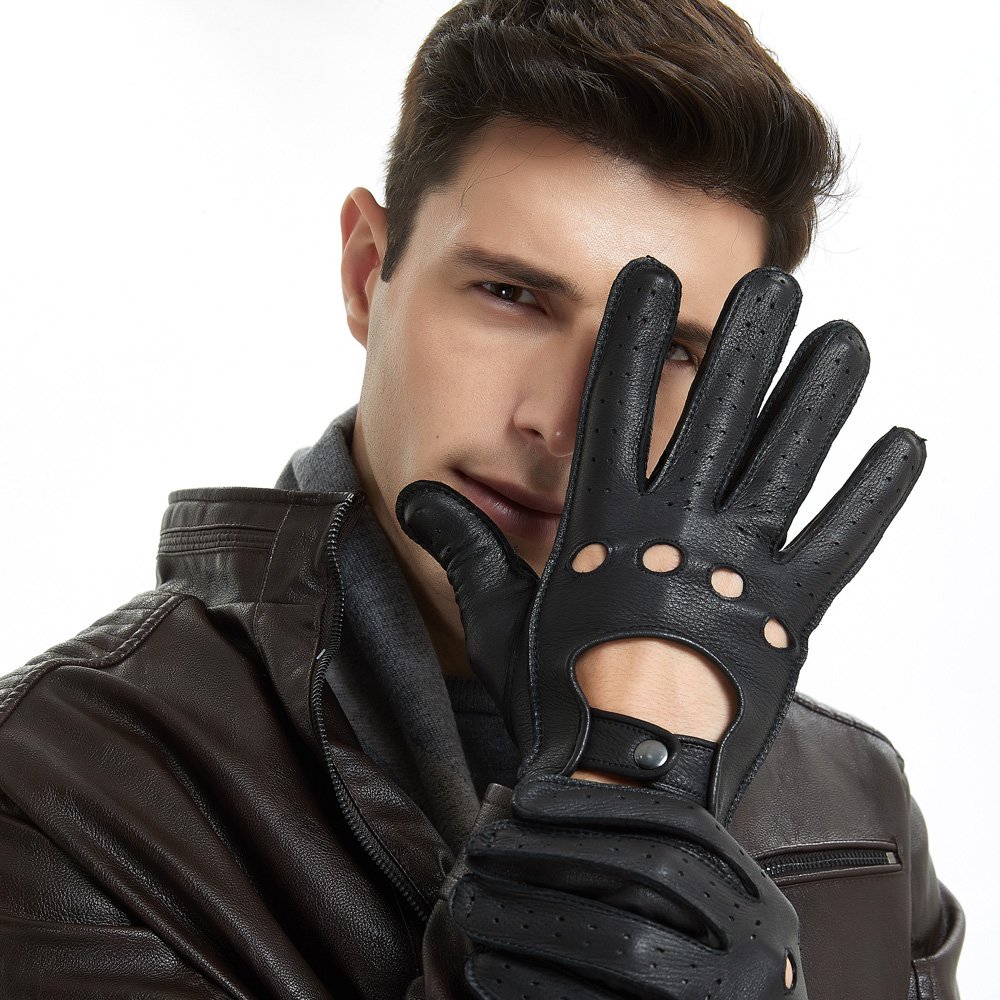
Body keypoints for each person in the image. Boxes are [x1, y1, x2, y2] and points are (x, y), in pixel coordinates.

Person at [0, 2, 963, 998]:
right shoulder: (59, 786)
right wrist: (619, 792)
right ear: (367, 275)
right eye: (512, 296)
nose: (560, 423)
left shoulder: (859, 801)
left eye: (673, 351)